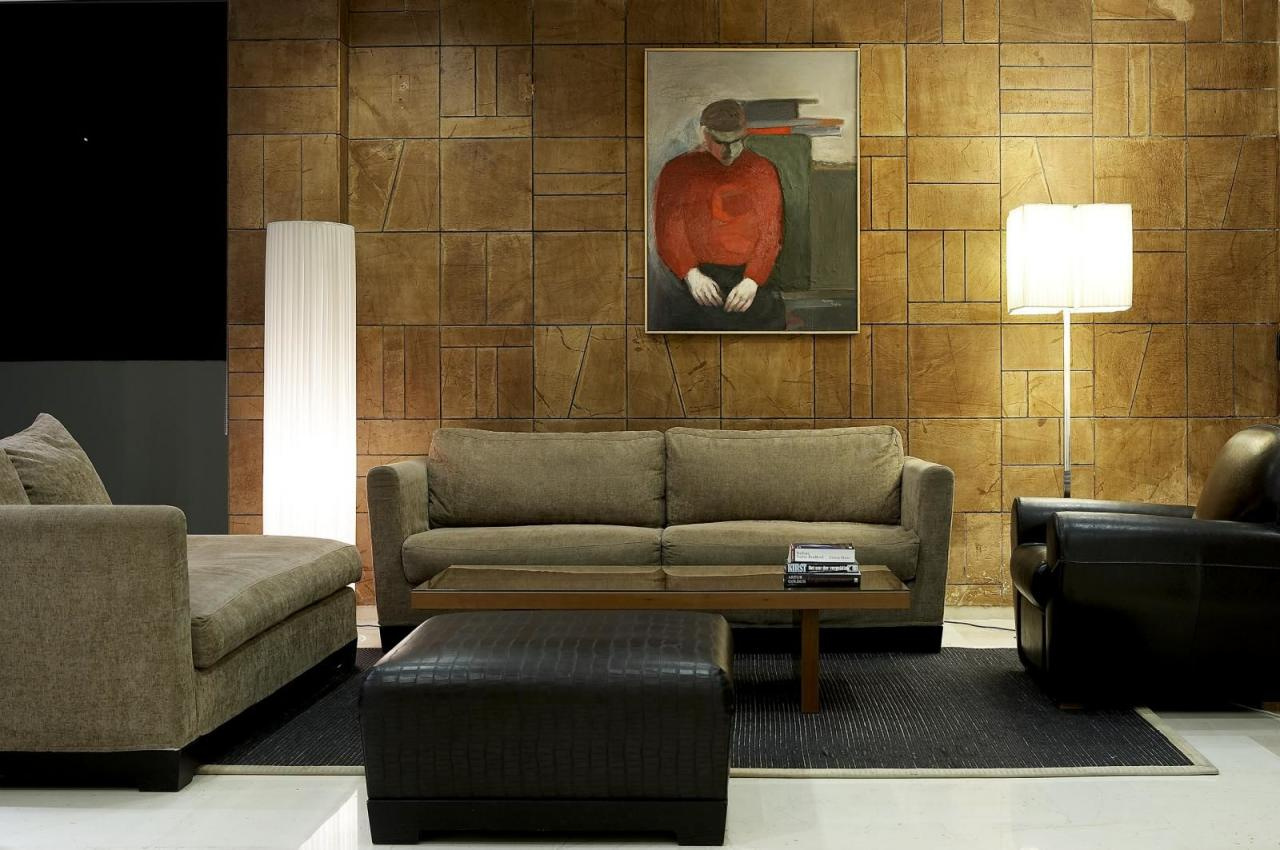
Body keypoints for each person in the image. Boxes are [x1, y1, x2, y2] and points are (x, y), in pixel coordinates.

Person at [651, 99, 786, 331]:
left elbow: (771, 234)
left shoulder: (762, 170)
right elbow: (669, 230)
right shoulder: (677, 170)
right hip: (694, 275)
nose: (730, 151)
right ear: (705, 134)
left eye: (737, 141)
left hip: (749, 276)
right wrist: (691, 274)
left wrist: (752, 280)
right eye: (721, 142)